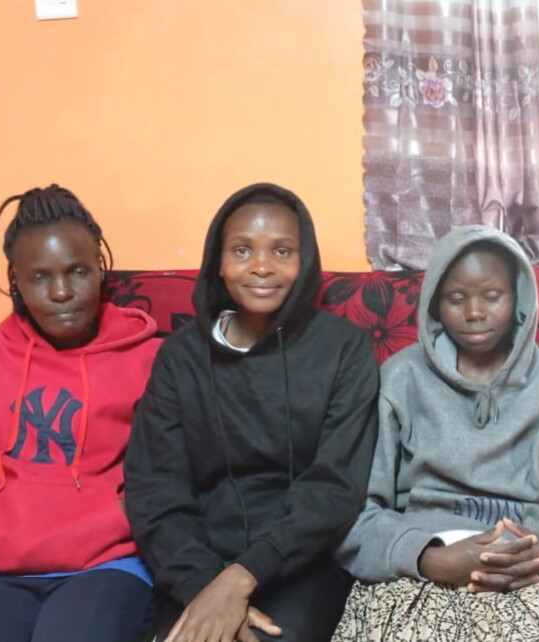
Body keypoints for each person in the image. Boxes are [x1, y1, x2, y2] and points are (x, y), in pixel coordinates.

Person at [332, 225, 539, 642]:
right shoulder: (400, 378)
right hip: (421, 570)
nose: (474, 312)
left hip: (530, 572)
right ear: (435, 303)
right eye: (457, 298)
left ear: (518, 299)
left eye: (492, 296)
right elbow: (358, 513)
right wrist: (429, 559)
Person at [0, 184, 162, 642]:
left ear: (100, 268)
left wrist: (125, 513)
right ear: (15, 279)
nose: (61, 292)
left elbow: (179, 472)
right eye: (40, 277)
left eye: (77, 271)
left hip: (109, 564)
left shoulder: (150, 358)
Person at [124, 182, 380, 642]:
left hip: (302, 561)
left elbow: (336, 486)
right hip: (196, 561)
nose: (262, 266)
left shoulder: (344, 349)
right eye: (242, 250)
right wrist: (206, 588)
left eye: (282, 251)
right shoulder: (180, 357)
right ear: (218, 263)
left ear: (304, 261)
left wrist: (240, 579)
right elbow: (155, 488)